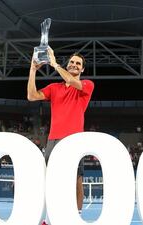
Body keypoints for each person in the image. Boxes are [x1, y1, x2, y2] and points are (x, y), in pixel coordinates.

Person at [28, 47, 94, 225]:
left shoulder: (87, 85)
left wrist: (54, 63)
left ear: (82, 69)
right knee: (50, 181)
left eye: (78, 64)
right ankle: (50, 219)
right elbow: (31, 96)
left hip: (74, 141)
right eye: (72, 62)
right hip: (53, 140)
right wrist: (33, 70)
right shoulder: (54, 88)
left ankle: (76, 218)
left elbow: (72, 82)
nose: (74, 65)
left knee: (76, 181)